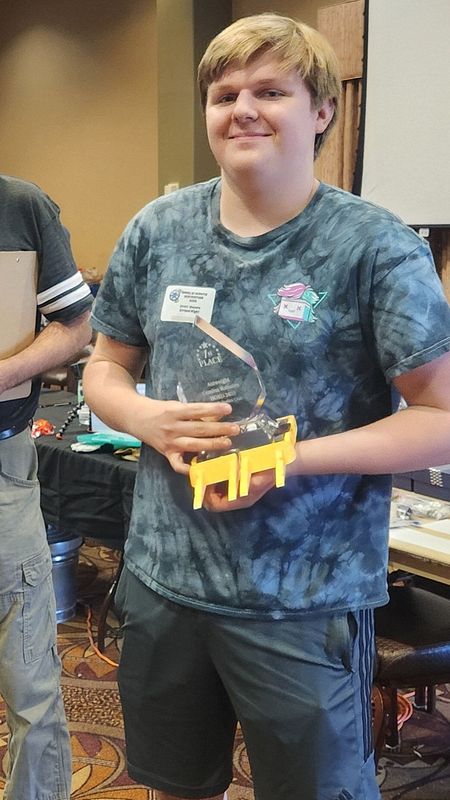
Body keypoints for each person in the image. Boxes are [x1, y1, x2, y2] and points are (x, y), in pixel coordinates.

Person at [83, 13, 450, 800]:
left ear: (322, 111)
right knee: (175, 786)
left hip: (303, 597)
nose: (242, 109)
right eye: (224, 95)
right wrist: (143, 417)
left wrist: (287, 459)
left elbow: (440, 420)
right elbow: (104, 369)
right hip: (164, 581)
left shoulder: (374, 247)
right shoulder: (158, 229)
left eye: (271, 91)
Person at [0, 174, 92, 799]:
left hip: (2, 461)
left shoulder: (18, 207)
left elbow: (75, 327)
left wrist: (5, 372)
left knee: (28, 679)